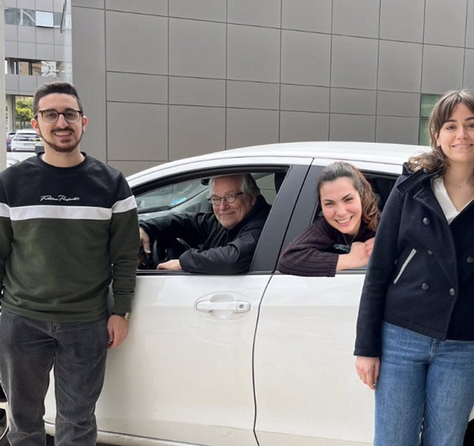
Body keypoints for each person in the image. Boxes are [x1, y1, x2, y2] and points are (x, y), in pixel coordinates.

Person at [354, 90, 474, 446]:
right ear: (436, 134)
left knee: (445, 441)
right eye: (451, 126)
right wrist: (366, 346)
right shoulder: (411, 186)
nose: (462, 135)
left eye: (471, 125)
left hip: (468, 342)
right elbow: (379, 268)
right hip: (401, 334)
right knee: (393, 440)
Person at [0, 81, 139, 445]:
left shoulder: (112, 184)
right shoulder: (10, 184)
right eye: (51, 114)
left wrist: (120, 311)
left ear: (83, 121)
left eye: (70, 114)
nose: (61, 122)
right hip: (21, 320)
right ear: (36, 124)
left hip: (86, 322)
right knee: (23, 421)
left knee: (77, 422)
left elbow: (125, 256)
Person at [138, 173, 269, 274]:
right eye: (216, 199)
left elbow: (232, 259)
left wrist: (182, 263)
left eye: (230, 197)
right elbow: (187, 223)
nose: (222, 207)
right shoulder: (227, 221)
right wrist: (146, 227)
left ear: (252, 197)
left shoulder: (264, 226)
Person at [277, 161, 379, 276]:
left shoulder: (383, 227)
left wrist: (387, 249)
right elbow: (288, 260)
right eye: (329, 204)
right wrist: (351, 259)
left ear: (361, 196)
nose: (341, 212)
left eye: (348, 199)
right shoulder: (325, 226)